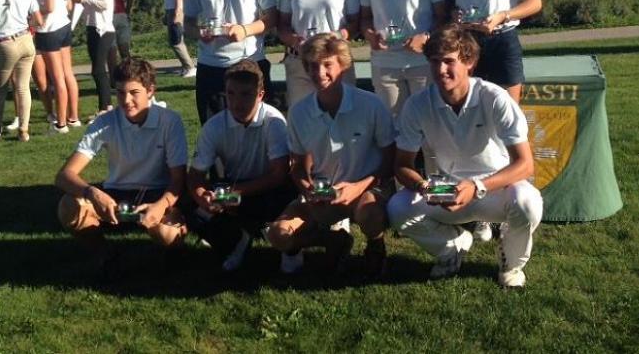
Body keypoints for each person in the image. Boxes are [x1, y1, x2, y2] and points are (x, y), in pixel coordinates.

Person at [387, 26, 543, 288]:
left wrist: (477, 187)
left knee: (527, 203)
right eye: (434, 62)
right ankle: (452, 248)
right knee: (398, 207)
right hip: (449, 190)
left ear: (469, 62)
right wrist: (424, 187)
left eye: (449, 61)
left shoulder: (495, 98)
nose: (440, 70)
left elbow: (525, 165)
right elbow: (401, 165)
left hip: (497, 187)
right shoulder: (417, 105)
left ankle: (511, 264)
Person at [266, 34, 395, 278]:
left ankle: (376, 246)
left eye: (327, 65)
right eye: (313, 66)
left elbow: (390, 160)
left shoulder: (371, 104)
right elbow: (298, 166)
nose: (320, 73)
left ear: (343, 66)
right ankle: (334, 240)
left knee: (371, 213)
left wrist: (358, 187)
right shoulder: (298, 112)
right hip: (323, 196)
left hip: (365, 190)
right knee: (278, 234)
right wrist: (307, 188)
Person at [55, 57, 188, 274]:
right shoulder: (105, 122)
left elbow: (178, 180)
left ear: (150, 91)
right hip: (116, 194)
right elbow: (64, 175)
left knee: (168, 235)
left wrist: (161, 205)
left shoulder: (169, 121)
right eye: (120, 92)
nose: (126, 100)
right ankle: (105, 252)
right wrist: (92, 193)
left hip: (155, 193)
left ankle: (172, 255)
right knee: (68, 207)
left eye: (134, 92)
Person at [187, 60, 297, 272]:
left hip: (269, 189)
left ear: (260, 95)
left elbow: (279, 174)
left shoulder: (274, 122)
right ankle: (237, 239)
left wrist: (235, 192)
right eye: (231, 94)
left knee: (286, 197)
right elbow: (195, 176)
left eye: (246, 94)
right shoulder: (214, 126)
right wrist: (202, 196)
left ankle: (288, 247)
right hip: (232, 188)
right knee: (189, 208)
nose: (237, 103)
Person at [27, 0, 80, 133]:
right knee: (68, 74)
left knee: (58, 78)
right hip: (64, 26)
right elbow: (67, 3)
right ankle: (73, 118)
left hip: (49, 30)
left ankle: (61, 124)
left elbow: (48, 6)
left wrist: (33, 10)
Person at [0, 0, 42, 141]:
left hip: (5, 43)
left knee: (0, 89)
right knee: (23, 88)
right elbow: (39, 21)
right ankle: (23, 130)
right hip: (26, 40)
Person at [71, 0, 115, 118]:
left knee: (98, 70)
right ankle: (105, 105)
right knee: (96, 70)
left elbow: (105, 4)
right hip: (92, 27)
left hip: (103, 29)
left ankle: (105, 107)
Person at [161, 0, 196, 78]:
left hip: (176, 10)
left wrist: (177, 12)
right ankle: (185, 66)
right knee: (173, 40)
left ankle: (190, 67)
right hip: (170, 10)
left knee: (176, 41)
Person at [105, 0, 133, 79]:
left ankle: (113, 79)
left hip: (107, 16)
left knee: (111, 51)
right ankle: (130, 75)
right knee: (124, 49)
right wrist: (127, 11)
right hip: (121, 13)